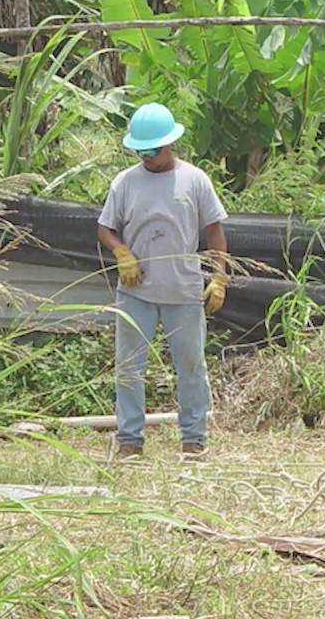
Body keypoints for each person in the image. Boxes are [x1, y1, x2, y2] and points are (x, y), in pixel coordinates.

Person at [97, 102, 229, 461]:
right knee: (129, 366)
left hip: (183, 290)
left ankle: (193, 439)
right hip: (136, 292)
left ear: (170, 144)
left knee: (190, 365)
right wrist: (121, 252)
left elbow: (214, 232)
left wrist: (219, 276)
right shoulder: (125, 182)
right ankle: (129, 440)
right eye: (140, 151)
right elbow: (105, 228)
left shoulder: (195, 180)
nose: (146, 157)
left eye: (152, 151)